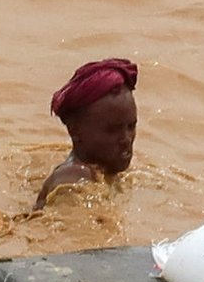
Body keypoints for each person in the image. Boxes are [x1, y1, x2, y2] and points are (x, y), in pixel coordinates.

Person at [34, 58, 139, 210]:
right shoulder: (73, 180)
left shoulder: (103, 171)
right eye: (112, 130)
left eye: (131, 126)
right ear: (74, 130)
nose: (126, 139)